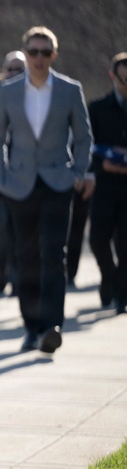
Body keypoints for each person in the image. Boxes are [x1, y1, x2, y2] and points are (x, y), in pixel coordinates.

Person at [0, 26, 94, 353]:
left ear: (54, 55)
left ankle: (51, 326)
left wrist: (77, 171)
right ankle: (31, 327)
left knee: (53, 255)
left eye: (45, 52)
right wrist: (1, 177)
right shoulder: (8, 91)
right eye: (33, 52)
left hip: (58, 182)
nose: (38, 58)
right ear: (26, 53)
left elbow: (84, 136)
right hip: (19, 185)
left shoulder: (69, 90)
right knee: (27, 257)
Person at [87, 52, 127, 314]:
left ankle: (121, 295)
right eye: (123, 79)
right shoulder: (97, 108)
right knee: (98, 240)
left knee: (125, 244)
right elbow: (85, 146)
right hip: (103, 186)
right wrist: (103, 165)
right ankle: (109, 278)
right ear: (113, 77)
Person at [0, 52, 26, 297]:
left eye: (19, 69)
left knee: (22, 230)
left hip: (26, 174)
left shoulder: (36, 95)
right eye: (9, 68)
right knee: (2, 227)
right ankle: (0, 270)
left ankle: (17, 276)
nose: (13, 73)